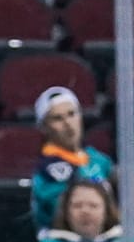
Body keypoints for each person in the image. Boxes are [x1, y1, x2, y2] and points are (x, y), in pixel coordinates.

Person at [31, 86, 115, 230]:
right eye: (57, 118)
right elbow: (65, 215)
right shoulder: (47, 169)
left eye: (72, 114)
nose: (68, 123)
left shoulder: (96, 157)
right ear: (44, 127)